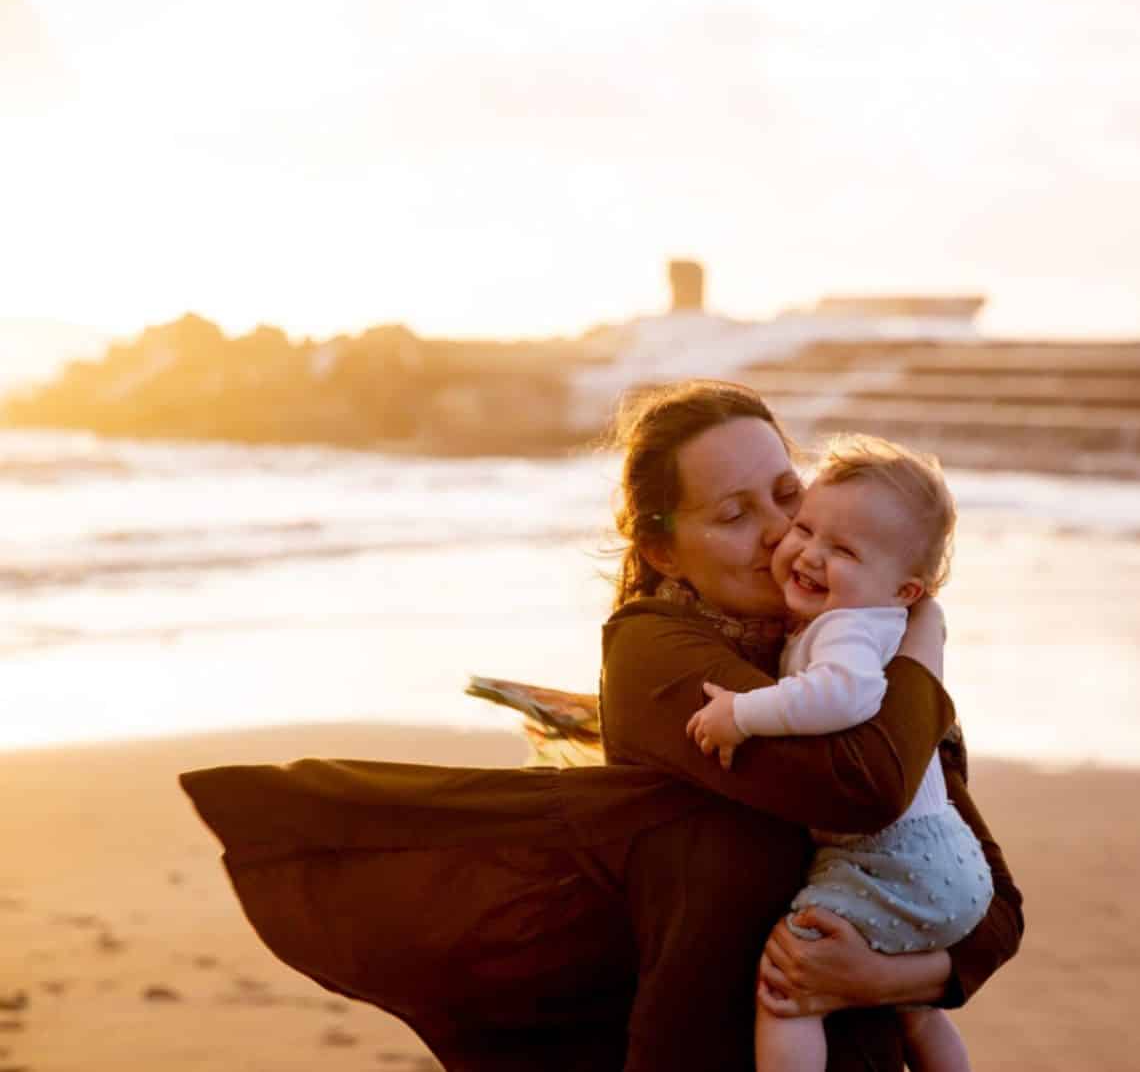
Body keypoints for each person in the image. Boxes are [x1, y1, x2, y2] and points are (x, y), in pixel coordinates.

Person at [179, 378, 1023, 1071]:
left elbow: (992, 906)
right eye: (733, 515)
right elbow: (864, 784)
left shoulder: (836, 655)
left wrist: (880, 978)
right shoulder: (657, 656)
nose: (778, 535)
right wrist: (926, 646)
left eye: (786, 494)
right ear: (663, 551)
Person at [687, 433, 989, 1072]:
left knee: (789, 988)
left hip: (893, 859)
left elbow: (842, 696)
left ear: (907, 590)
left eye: (844, 549)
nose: (807, 554)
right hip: (943, 862)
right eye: (806, 528)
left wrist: (740, 714)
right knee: (918, 1014)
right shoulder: (870, 622)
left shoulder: (849, 630)